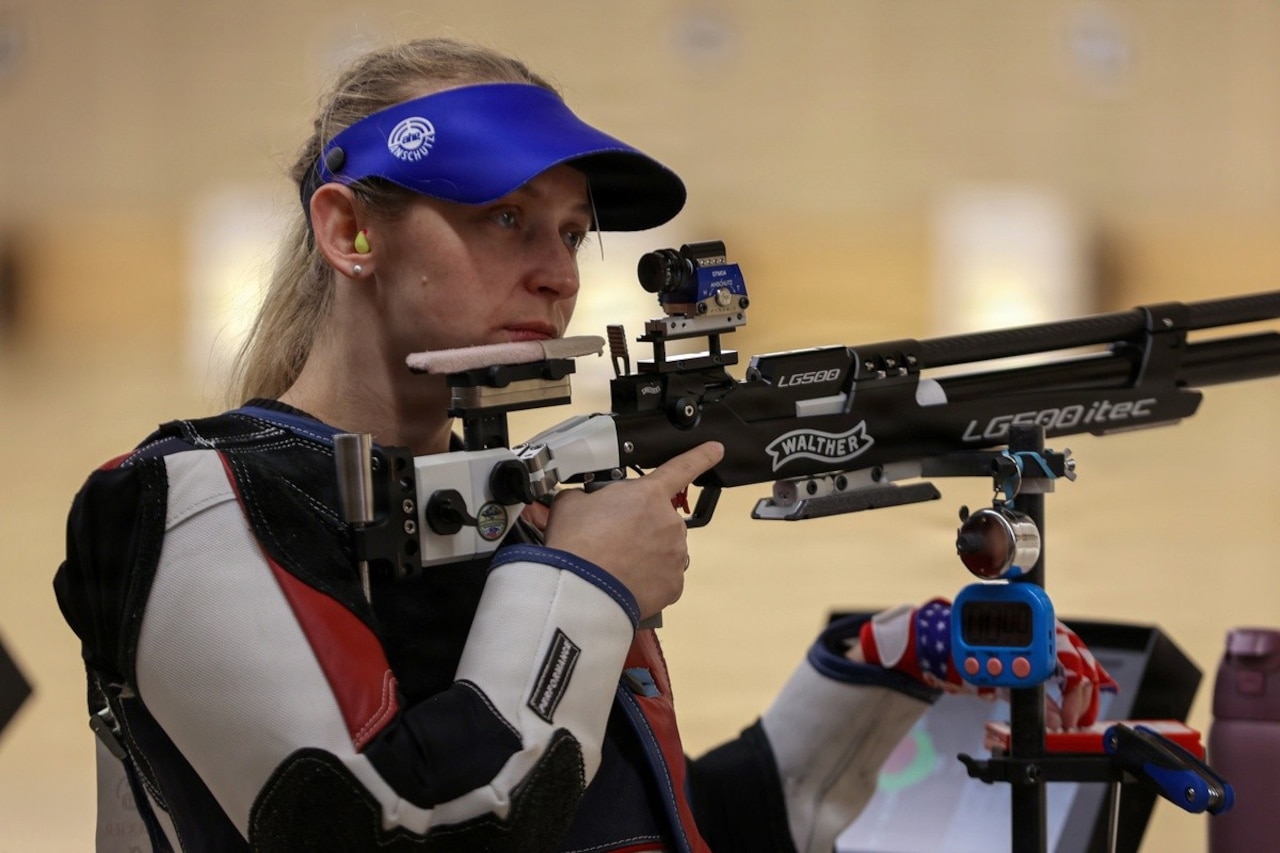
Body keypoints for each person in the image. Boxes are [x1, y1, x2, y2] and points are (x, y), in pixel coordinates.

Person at [54, 37, 1114, 853]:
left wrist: (873, 675)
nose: (558, 272)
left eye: (568, 231)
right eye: (505, 218)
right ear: (350, 232)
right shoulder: (183, 497)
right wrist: (582, 585)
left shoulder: (509, 498)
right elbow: (386, 826)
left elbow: (627, 825)